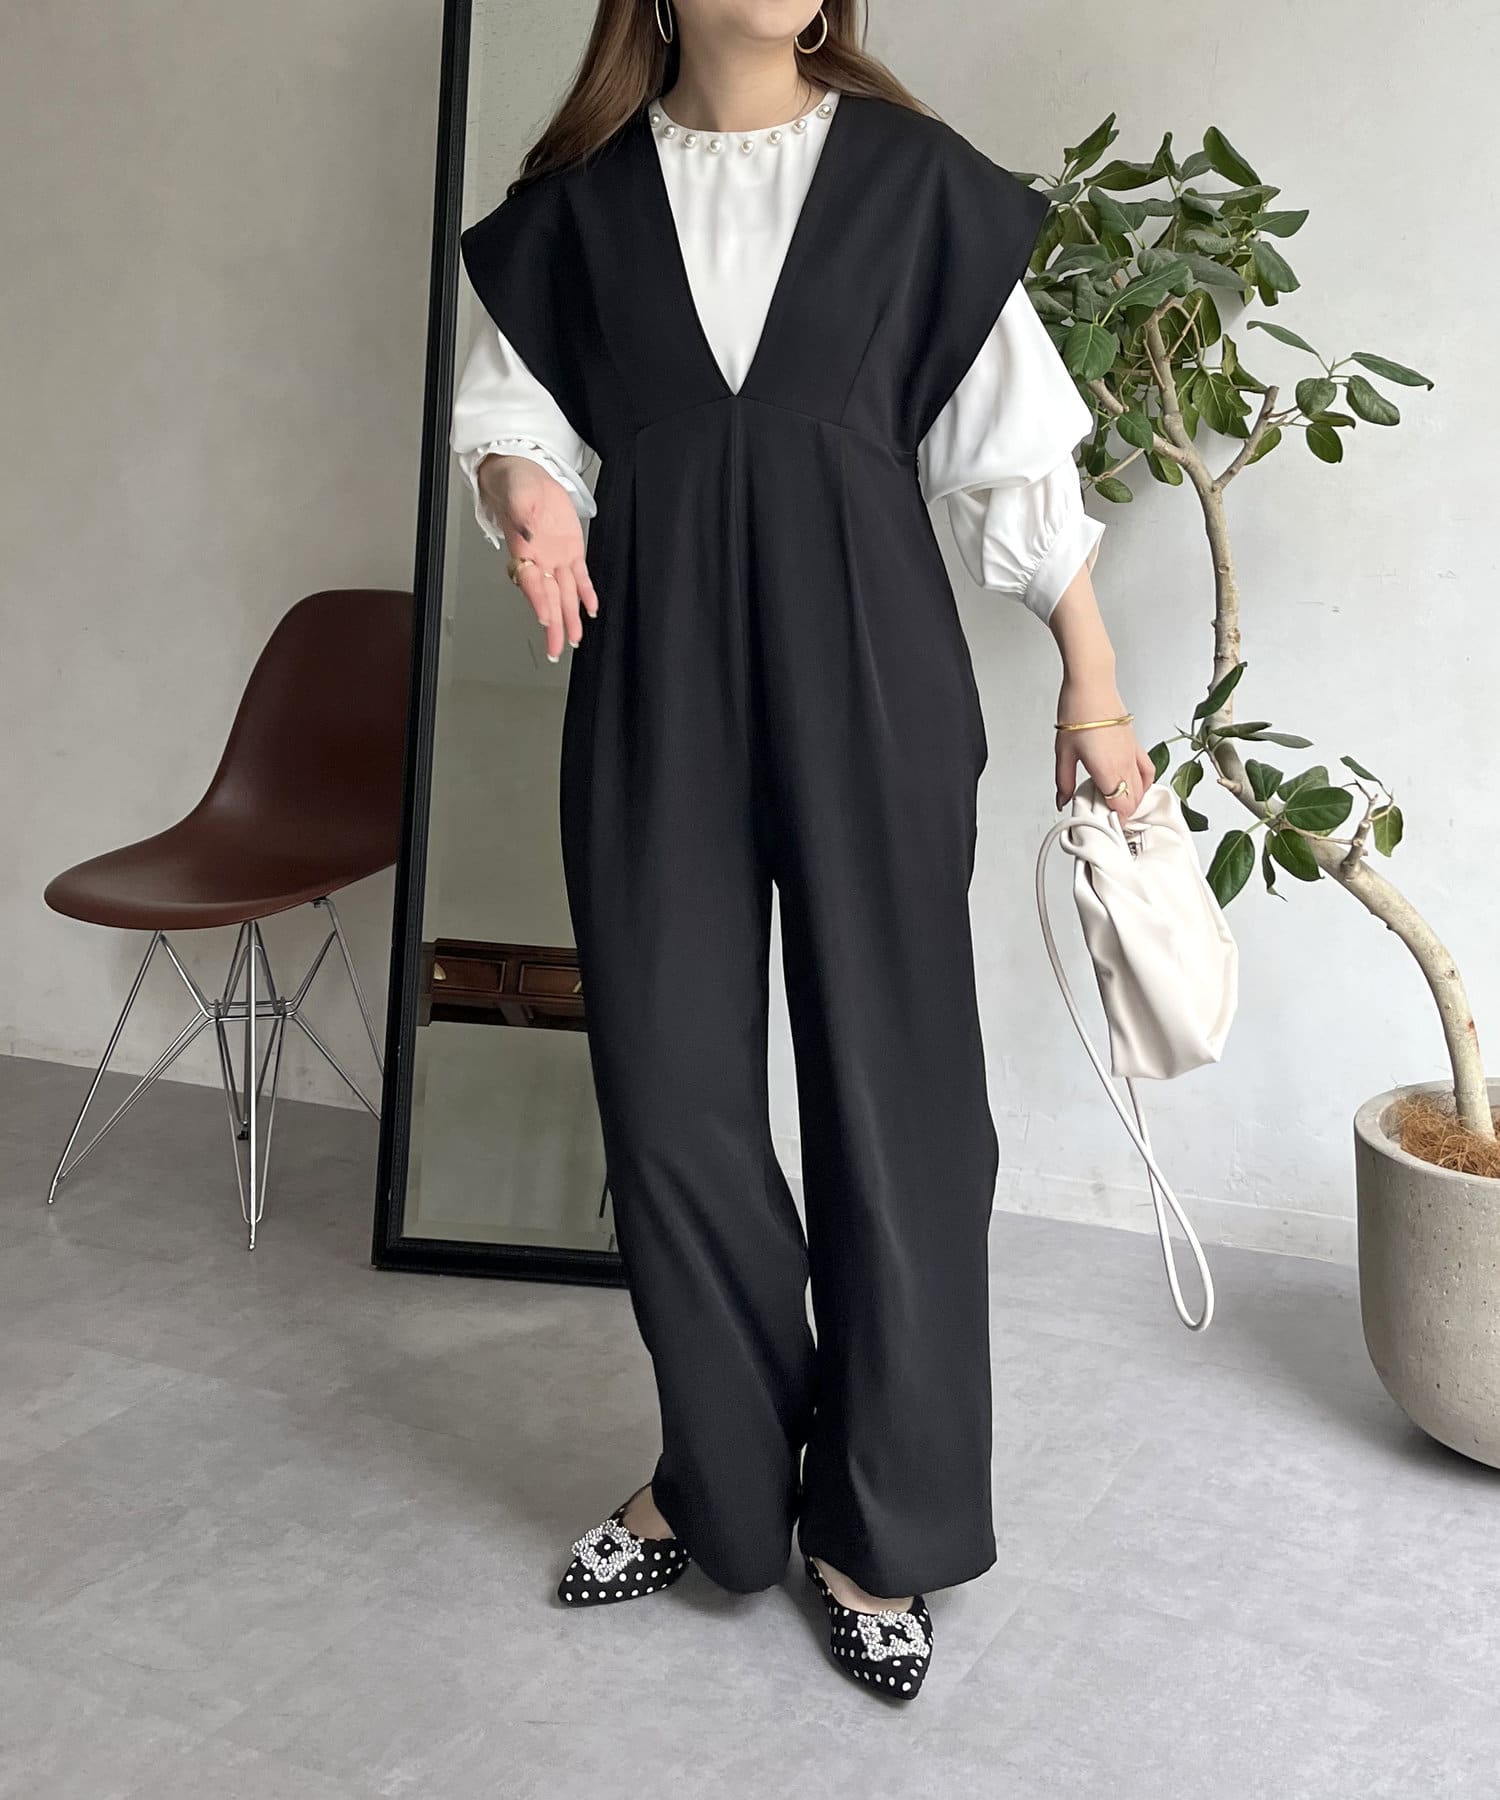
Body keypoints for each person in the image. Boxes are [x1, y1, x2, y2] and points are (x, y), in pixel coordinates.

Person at [449, 0, 1154, 1700]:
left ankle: (883, 1520)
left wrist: (1098, 682)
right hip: (654, 681)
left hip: (872, 680)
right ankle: (721, 1478)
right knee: (671, 1099)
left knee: (899, 1102)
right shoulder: (576, 214)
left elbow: (1012, 460)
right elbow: (517, 423)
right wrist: (527, 496)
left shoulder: (913, 184)